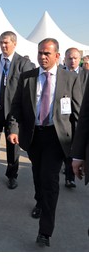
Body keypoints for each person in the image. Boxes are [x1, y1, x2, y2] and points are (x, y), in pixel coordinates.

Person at [7, 38, 81, 247]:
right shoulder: (28, 77)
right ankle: (39, 201)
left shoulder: (69, 79)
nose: (42, 57)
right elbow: (16, 106)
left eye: (47, 53)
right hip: (33, 136)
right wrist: (14, 129)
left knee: (49, 181)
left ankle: (45, 231)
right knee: (38, 175)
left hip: (56, 138)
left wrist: (79, 149)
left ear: (57, 56)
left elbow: (77, 113)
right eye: (40, 53)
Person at [0, 31, 34, 194]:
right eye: (1, 42)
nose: (3, 45)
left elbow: (27, 91)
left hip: (14, 114)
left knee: (12, 146)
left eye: (6, 42)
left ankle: (12, 175)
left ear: (14, 43)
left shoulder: (23, 63)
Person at [62, 47, 89, 188]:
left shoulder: (87, 75)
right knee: (68, 146)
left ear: (80, 60)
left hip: (81, 118)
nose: (72, 61)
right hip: (64, 117)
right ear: (65, 59)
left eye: (75, 58)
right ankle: (69, 177)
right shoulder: (60, 75)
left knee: (76, 145)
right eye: (69, 58)